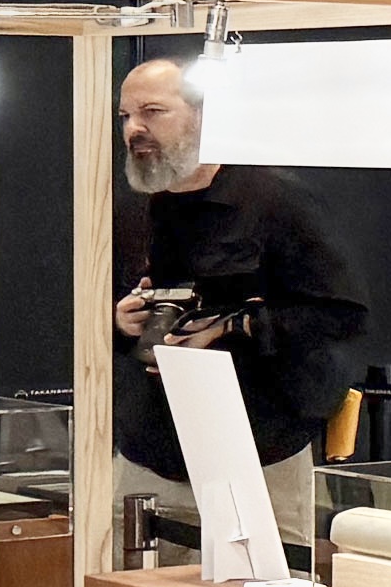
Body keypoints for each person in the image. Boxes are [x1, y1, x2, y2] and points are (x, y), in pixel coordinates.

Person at [114, 55, 371, 554]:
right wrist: (119, 321)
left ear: (203, 115)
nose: (134, 129)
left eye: (152, 112)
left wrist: (236, 326)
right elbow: (89, 315)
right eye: (126, 116)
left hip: (258, 456)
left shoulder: (278, 203)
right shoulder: (129, 210)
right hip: (150, 453)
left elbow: (343, 315)